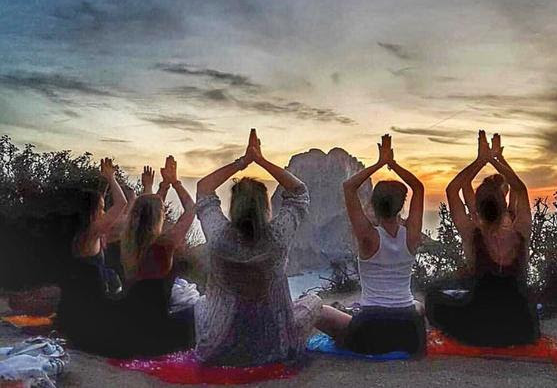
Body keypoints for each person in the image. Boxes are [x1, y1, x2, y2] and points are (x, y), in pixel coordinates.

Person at [194, 129, 322, 366]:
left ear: (233, 206)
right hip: (275, 348)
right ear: (265, 207)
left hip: (219, 348)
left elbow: (203, 189)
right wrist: (260, 160)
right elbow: (299, 193)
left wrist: (243, 162)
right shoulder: (277, 236)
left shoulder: (219, 236)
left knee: (201, 302)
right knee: (313, 301)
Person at [425, 130, 540, 346]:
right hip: (522, 327)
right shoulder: (521, 230)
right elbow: (520, 188)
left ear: (476, 208)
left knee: (433, 297)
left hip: (479, 328)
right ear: (504, 204)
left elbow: (452, 189)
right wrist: (496, 159)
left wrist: (481, 160)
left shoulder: (472, 234)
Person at [315, 134, 426, 355]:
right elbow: (419, 188)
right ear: (400, 207)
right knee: (417, 305)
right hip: (410, 333)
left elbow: (349, 187)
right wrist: (392, 163)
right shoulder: (411, 236)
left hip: (370, 331)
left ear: (373, 205)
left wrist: (379, 163)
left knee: (318, 310)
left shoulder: (368, 237)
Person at [114, 155, 197, 356]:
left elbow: (146, 210)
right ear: (159, 217)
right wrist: (175, 182)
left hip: (127, 320)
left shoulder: (127, 242)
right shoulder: (164, 245)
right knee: (200, 309)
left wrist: (162, 187)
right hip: (154, 329)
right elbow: (192, 209)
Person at [56, 158, 129, 354]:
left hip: (76, 293)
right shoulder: (93, 231)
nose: (104, 212)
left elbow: (98, 202)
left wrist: (104, 181)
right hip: (91, 297)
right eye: (102, 208)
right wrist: (112, 178)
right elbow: (122, 203)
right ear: (92, 211)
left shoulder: (79, 230)